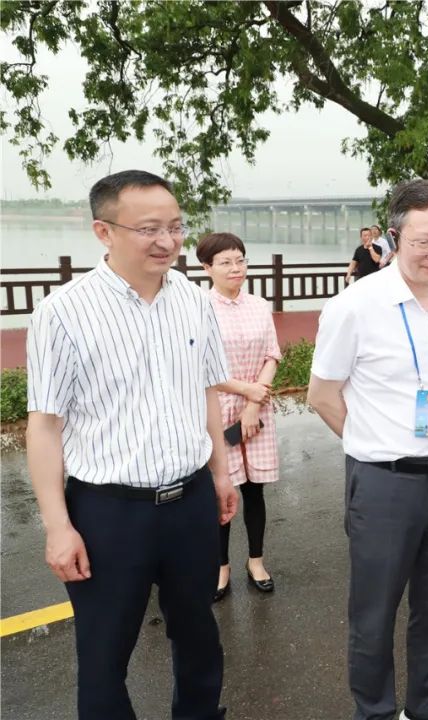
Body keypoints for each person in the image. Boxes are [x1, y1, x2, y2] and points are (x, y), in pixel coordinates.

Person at [25, 170, 237, 719]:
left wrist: (219, 471)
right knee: (103, 652)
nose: (166, 241)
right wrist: (58, 526)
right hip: (106, 512)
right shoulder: (63, 313)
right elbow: (44, 426)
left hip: (189, 501)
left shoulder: (193, 300)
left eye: (175, 227)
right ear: (104, 231)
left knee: (198, 634)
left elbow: (207, 392)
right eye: (148, 229)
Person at [308, 179, 428, 720]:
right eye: (423, 241)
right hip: (383, 482)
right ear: (394, 236)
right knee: (374, 613)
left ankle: (425, 707)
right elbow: (322, 395)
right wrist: (373, 445)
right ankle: (376, 712)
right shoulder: (356, 306)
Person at [197, 232, 283, 600]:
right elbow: (198, 367)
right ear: (207, 268)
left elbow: (272, 356)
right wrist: (245, 392)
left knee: (255, 491)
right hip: (218, 411)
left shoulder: (259, 305)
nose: (236, 268)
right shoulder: (199, 308)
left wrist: (253, 403)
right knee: (221, 491)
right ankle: (220, 567)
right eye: (225, 262)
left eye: (241, 260)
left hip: (255, 411)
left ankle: (256, 560)